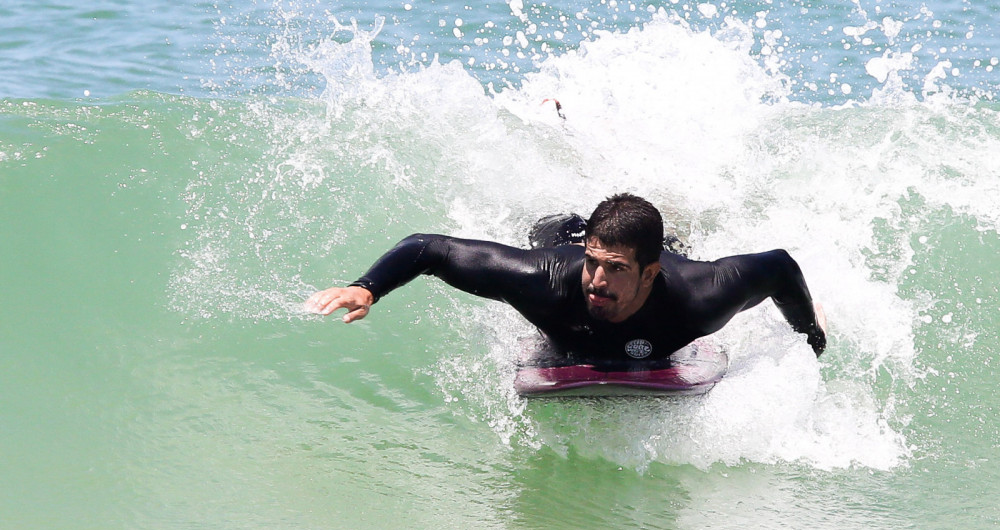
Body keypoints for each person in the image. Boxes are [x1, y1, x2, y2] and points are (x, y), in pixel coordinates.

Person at [304, 193, 827, 360]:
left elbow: (780, 266)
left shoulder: (701, 297)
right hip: (560, 238)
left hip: (662, 252)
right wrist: (367, 286)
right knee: (551, 226)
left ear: (648, 274)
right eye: (595, 264)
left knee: (674, 239)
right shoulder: (548, 279)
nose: (596, 280)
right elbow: (429, 248)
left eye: (615, 270)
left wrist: (810, 331)